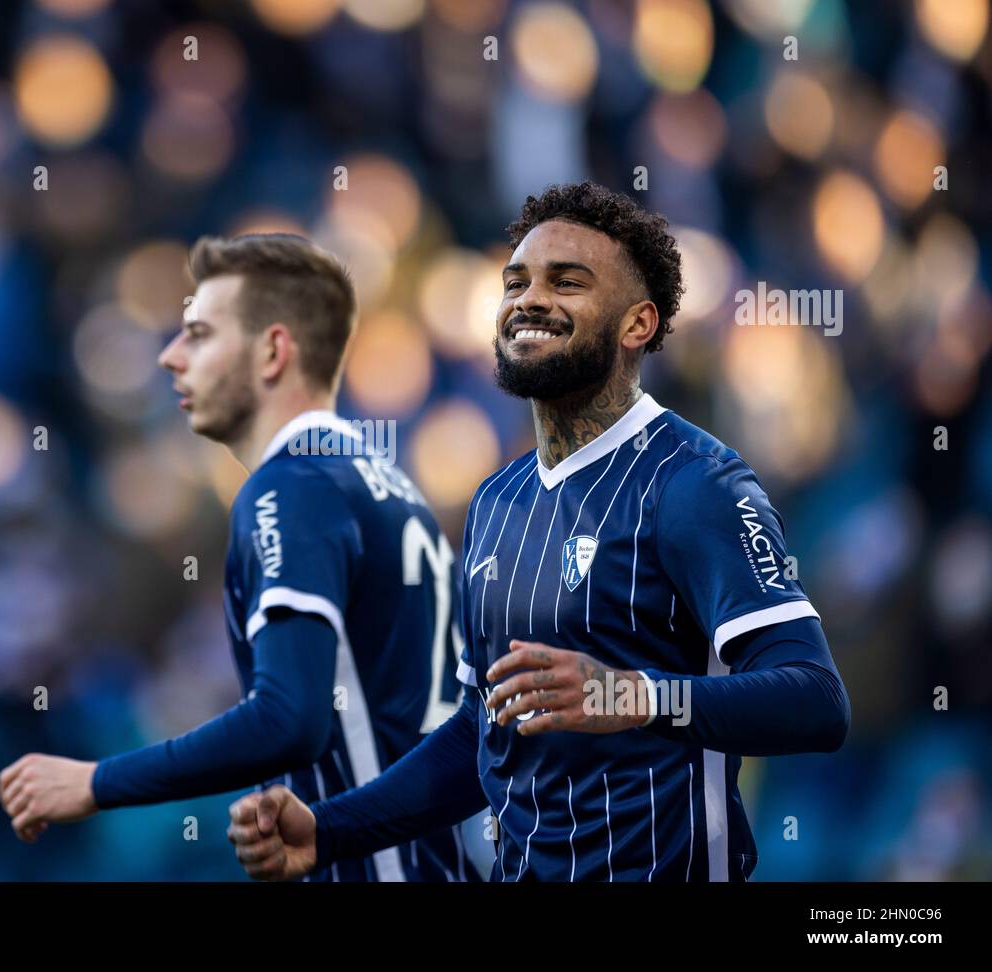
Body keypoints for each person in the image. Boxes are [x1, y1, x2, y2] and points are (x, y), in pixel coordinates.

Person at [227, 183, 851, 882]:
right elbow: (480, 733)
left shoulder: (694, 483)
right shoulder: (496, 501)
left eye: (568, 282)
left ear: (637, 324)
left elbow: (814, 700)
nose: (528, 299)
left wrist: (629, 696)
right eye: (515, 281)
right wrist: (331, 828)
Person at [0, 233, 476, 881]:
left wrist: (96, 782)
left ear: (273, 351)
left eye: (199, 334)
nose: (170, 356)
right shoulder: (391, 485)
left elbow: (288, 719)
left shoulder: (291, 487)